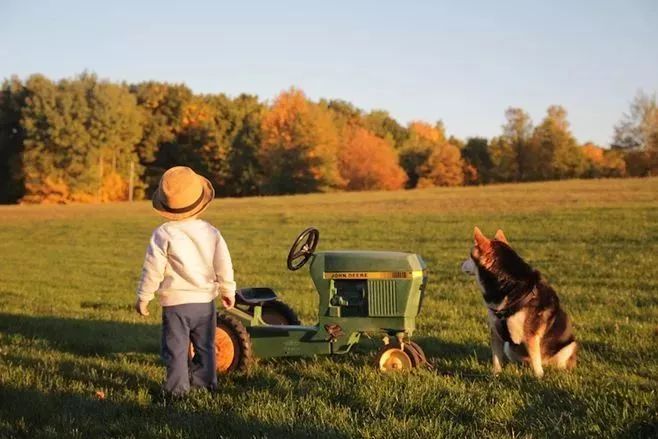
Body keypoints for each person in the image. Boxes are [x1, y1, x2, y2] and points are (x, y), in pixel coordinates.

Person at [134, 166, 236, 395]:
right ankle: (206, 385)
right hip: (204, 303)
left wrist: (144, 297)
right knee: (206, 347)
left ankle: (177, 390)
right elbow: (223, 263)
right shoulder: (211, 232)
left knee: (177, 349)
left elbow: (152, 269)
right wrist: (228, 290)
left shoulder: (162, 234)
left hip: (176, 305)